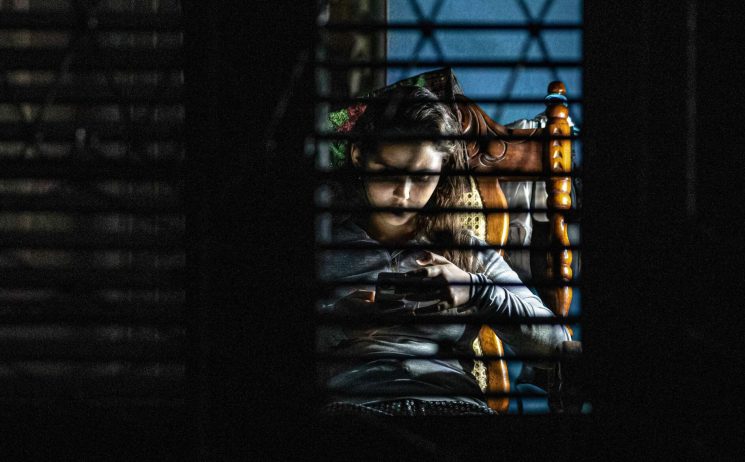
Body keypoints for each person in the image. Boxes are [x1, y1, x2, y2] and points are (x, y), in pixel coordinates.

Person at [317, 84, 571, 416]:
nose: (404, 193)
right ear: (358, 156)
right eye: (389, 172)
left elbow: (555, 345)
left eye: (423, 177)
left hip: (452, 407)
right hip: (360, 408)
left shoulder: (463, 249)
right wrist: (339, 323)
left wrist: (476, 291)